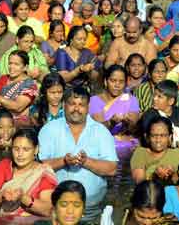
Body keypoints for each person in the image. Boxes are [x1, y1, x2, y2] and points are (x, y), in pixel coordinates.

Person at [38, 85, 119, 221]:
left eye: (81, 105)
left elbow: (112, 169)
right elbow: (39, 167)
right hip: (56, 206)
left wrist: (86, 162)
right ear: (64, 105)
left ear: (88, 108)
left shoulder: (101, 131)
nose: (76, 108)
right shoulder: (49, 129)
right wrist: (63, 161)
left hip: (91, 208)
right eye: (72, 104)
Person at [0, 127, 57, 220]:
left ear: (36, 150)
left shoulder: (43, 173)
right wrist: (1, 196)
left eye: (26, 149)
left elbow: (47, 210)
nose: (20, 154)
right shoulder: (5, 166)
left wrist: (23, 198)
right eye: (16, 149)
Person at [90, 64, 141, 159]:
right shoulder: (94, 100)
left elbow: (134, 127)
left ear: (126, 83)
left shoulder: (132, 100)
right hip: (102, 146)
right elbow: (97, 129)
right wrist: (111, 122)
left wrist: (127, 121)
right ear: (105, 81)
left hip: (127, 146)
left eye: (121, 82)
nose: (117, 85)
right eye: (113, 81)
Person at [0, 50, 39, 125]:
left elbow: (18, 107)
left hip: (17, 123)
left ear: (25, 67)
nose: (11, 67)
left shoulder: (30, 85)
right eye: (10, 63)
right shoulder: (3, 78)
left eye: (16, 64)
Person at [131, 115, 179, 184]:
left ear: (169, 137)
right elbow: (139, 182)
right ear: (147, 137)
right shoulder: (140, 153)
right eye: (154, 136)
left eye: (162, 135)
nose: (158, 140)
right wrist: (154, 176)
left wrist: (172, 175)